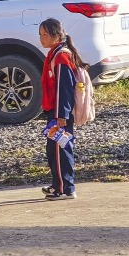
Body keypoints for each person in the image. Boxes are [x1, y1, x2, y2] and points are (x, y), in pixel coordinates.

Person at [38, 18, 84, 201]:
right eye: (40, 35)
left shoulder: (61, 57)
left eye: (45, 35)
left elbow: (63, 89)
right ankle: (58, 184)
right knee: (53, 149)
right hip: (55, 112)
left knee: (60, 150)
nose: (41, 38)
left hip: (60, 114)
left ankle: (66, 189)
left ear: (56, 36)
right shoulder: (55, 54)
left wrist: (61, 115)